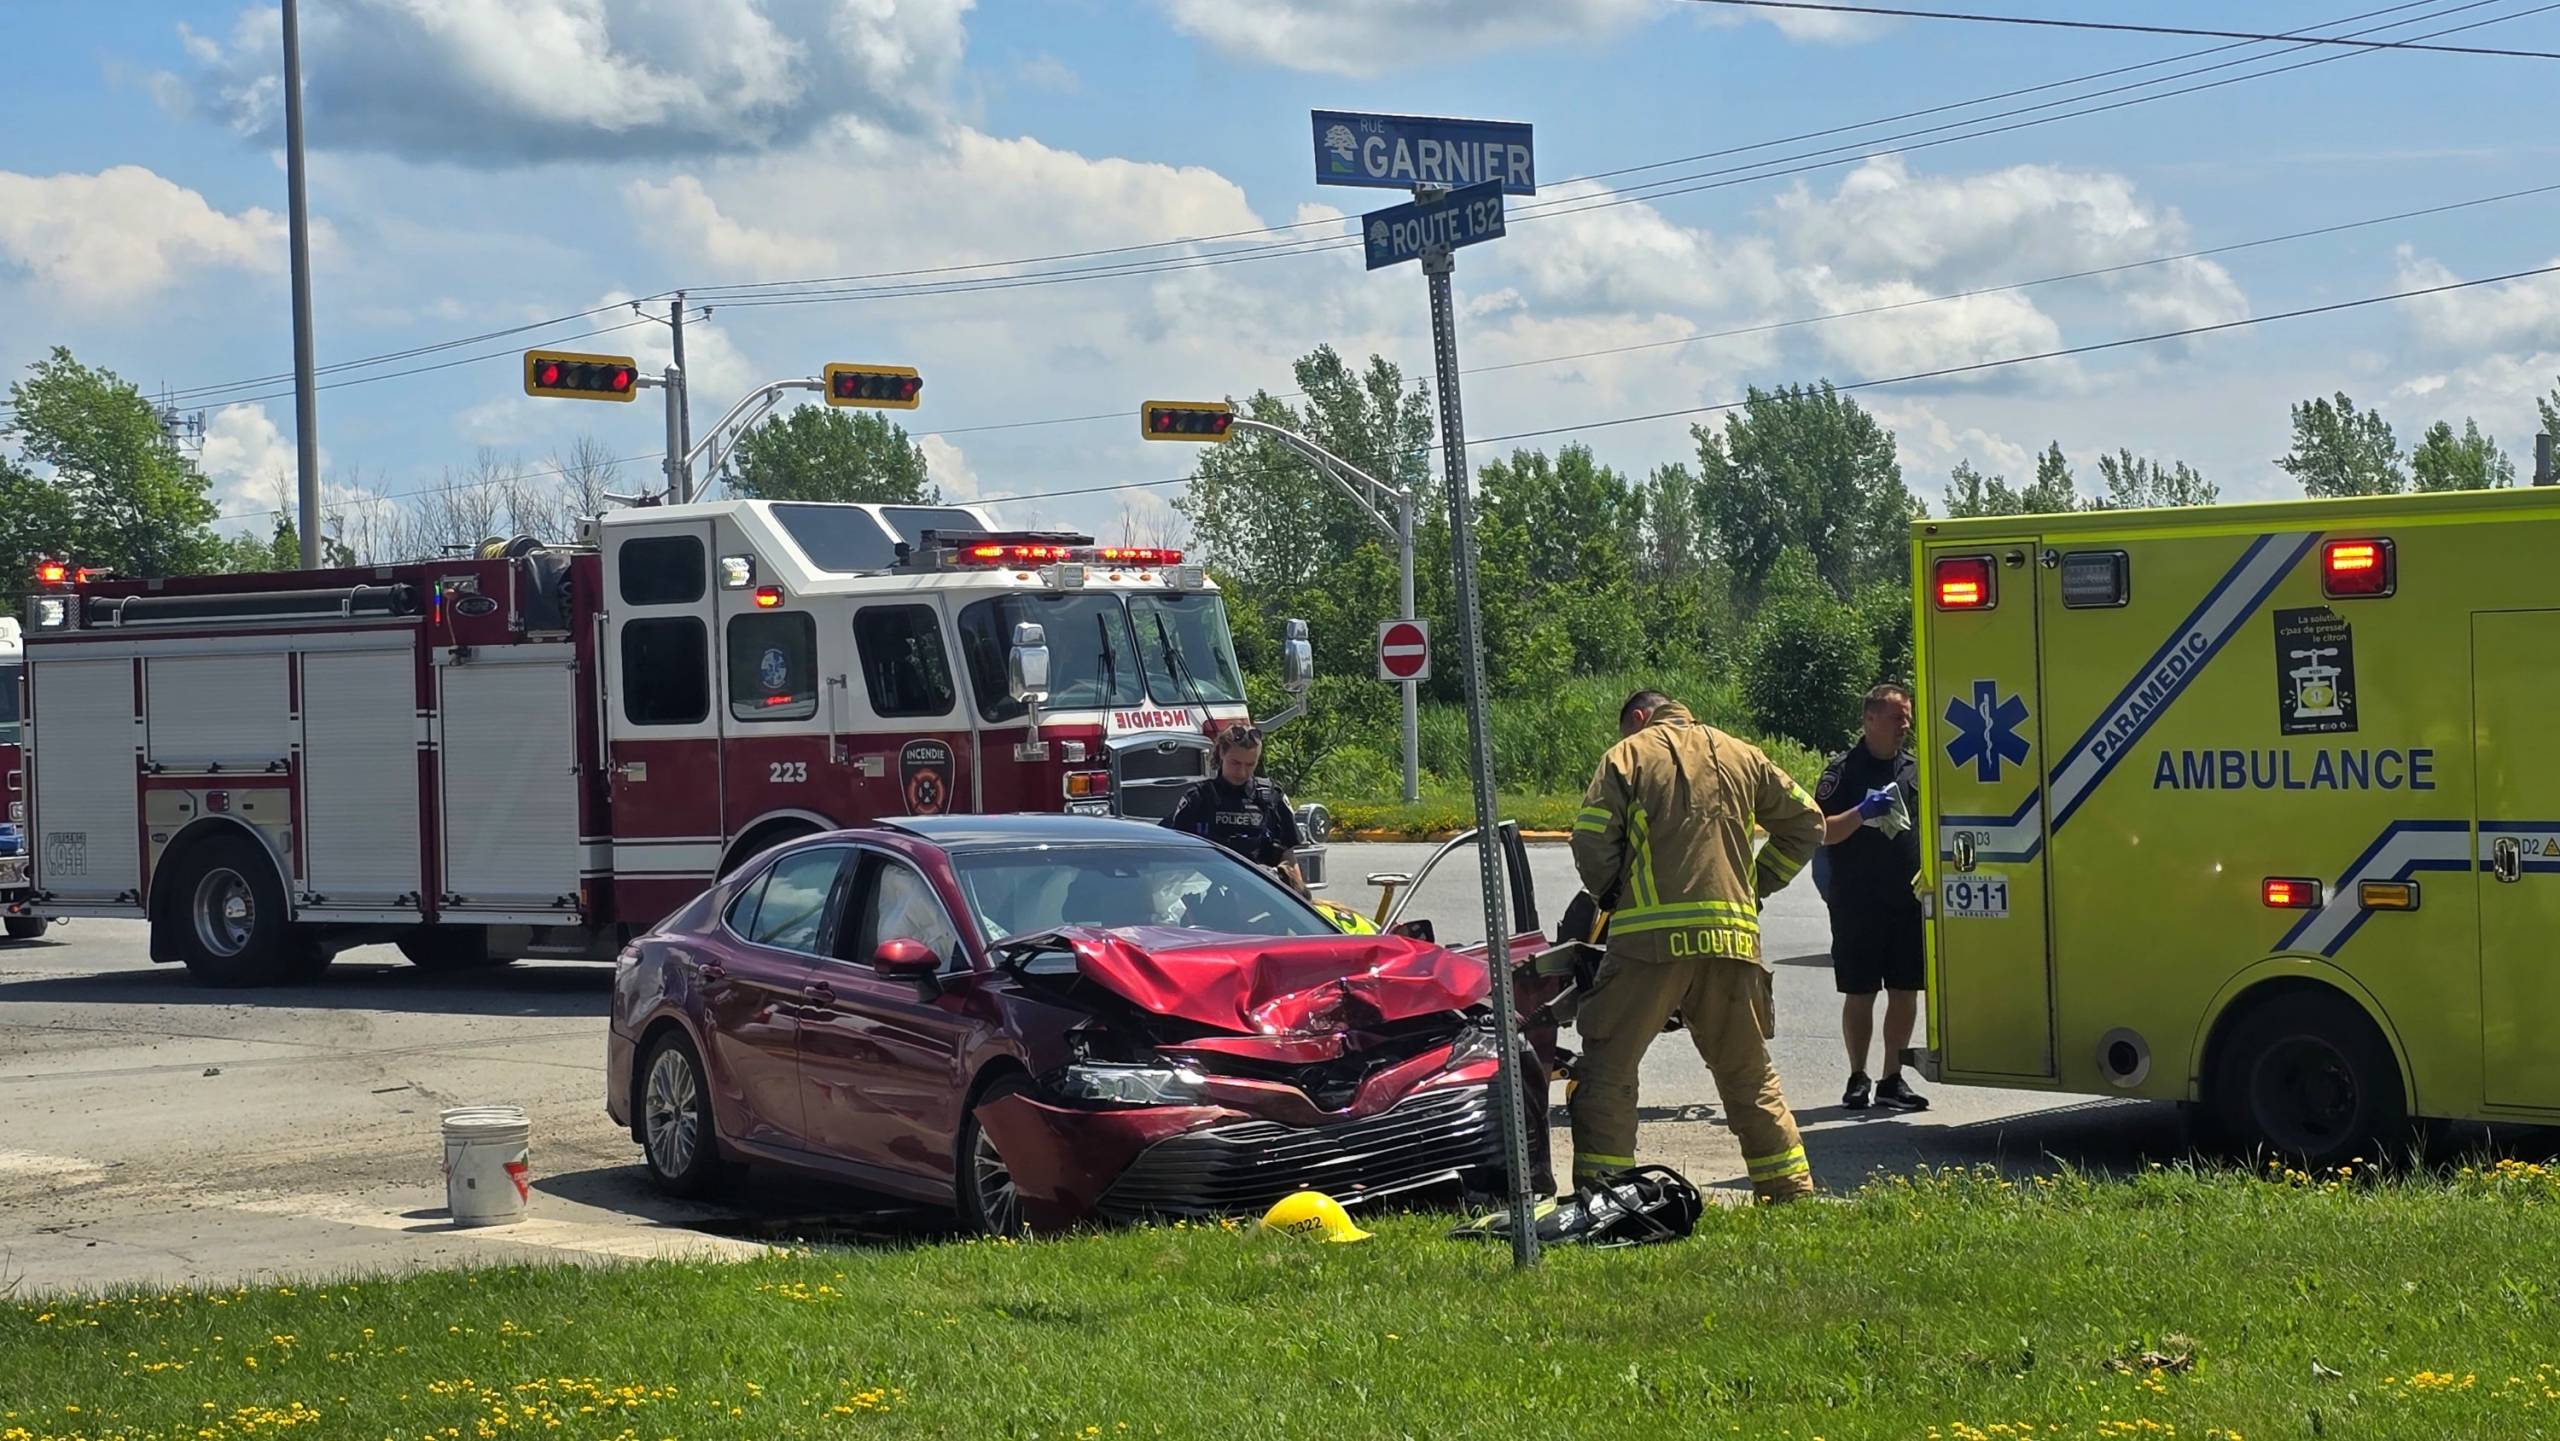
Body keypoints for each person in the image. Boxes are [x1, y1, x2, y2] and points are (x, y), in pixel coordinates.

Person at [1567, 689, 1824, 1203]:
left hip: (1649, 945)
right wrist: (1755, 884)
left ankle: (1605, 1196)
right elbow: (1808, 823)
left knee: (1608, 1069)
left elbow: (1591, 839)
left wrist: (1613, 895)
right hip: (1733, 940)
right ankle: (1788, 1192)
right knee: (1748, 1073)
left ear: (1639, 719)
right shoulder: (1741, 753)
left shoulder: (1628, 755)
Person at [1815, 682, 1930, 1113]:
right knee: (1860, 992)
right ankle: (1858, 1076)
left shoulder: (1915, 769)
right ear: (1869, 719)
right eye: (1897, 717)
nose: (1905, 725)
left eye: (1907, 718)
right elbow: (1821, 830)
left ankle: (1891, 1078)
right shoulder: (1842, 771)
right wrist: (1861, 813)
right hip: (1857, 900)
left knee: (1905, 991)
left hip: (1906, 899)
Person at [1162, 723, 1306, 894]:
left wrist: (1302, 899)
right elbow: (1171, 853)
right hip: (1207, 891)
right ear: (1222, 754)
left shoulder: (1272, 798)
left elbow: (1288, 857)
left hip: (1262, 893)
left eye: (1250, 764)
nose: (1242, 772)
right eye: (1235, 763)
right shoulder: (1198, 798)